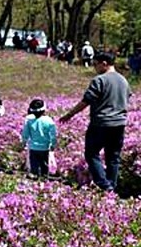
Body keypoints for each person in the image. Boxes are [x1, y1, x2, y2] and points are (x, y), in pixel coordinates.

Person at [60, 52, 132, 196]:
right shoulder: (124, 80)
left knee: (91, 154)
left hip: (101, 123)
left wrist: (69, 115)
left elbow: (86, 101)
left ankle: (104, 185)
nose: (94, 68)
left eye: (95, 64)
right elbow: (128, 96)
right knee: (113, 157)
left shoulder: (100, 80)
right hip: (119, 124)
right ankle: (111, 187)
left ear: (104, 63)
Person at [21, 99, 57, 177]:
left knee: (34, 165)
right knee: (44, 164)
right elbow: (53, 135)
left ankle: (35, 177)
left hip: (33, 148)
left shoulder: (29, 121)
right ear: (44, 110)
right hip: (45, 148)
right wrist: (53, 144)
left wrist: (24, 142)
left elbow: (25, 134)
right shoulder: (49, 120)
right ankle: (44, 178)